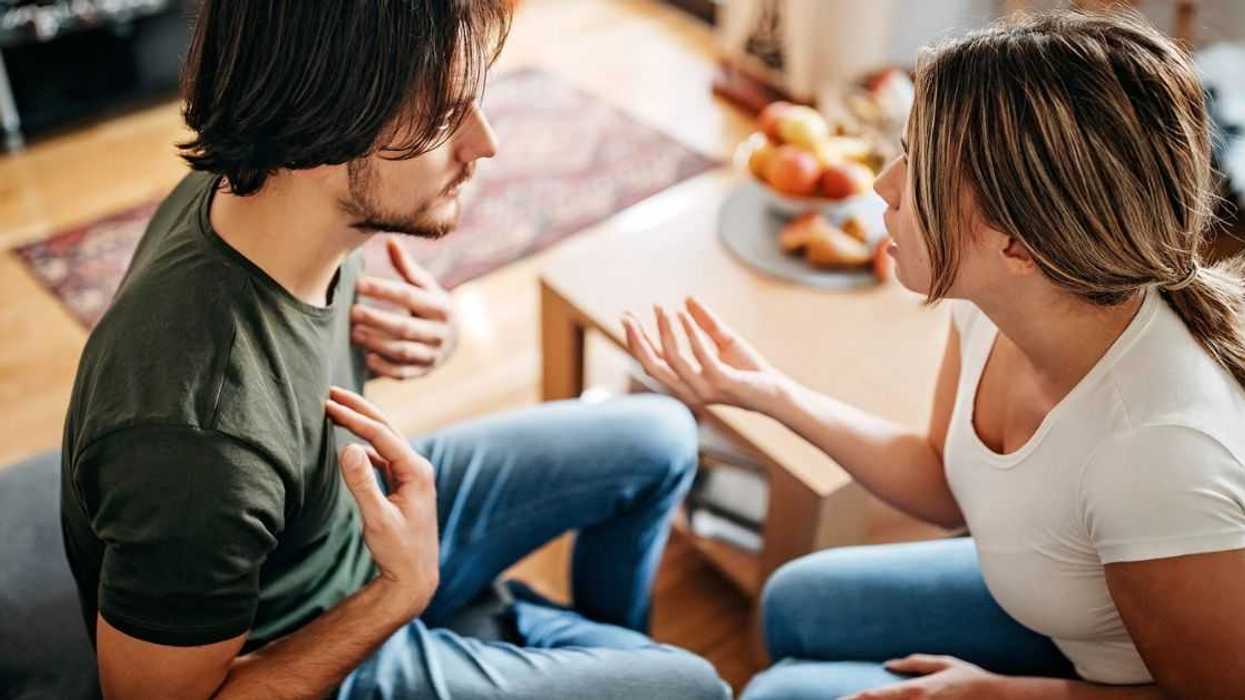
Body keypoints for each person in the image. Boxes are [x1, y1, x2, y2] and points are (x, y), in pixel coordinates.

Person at [59, 2, 728, 698]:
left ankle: (575, 652)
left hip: (345, 524)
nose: (487, 142)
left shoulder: (260, 190)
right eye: (444, 119)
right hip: (311, 647)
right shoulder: (198, 443)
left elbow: (289, 362)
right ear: (322, 127)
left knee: (663, 434)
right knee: (695, 685)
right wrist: (398, 594)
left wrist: (433, 334)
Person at [623, 9, 1245, 700]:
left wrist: (998, 694)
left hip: (1107, 680)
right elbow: (942, 483)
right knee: (792, 601)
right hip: (1055, 611)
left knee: (781, 692)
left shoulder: (1159, 460)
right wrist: (765, 391)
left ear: (1017, 244)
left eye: (916, 165)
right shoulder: (1000, 299)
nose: (882, 186)